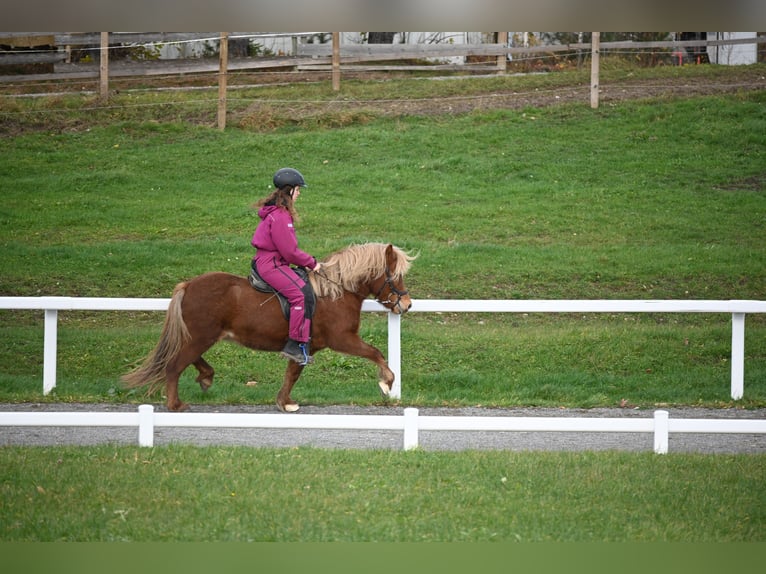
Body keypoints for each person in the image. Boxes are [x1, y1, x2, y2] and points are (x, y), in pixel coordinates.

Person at [251, 167, 321, 365]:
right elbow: (289, 251)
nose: (299, 194)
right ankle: (296, 344)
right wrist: (311, 263)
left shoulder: (277, 213)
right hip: (271, 264)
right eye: (298, 190)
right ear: (290, 191)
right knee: (299, 294)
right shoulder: (281, 216)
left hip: (274, 262)